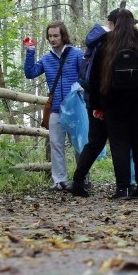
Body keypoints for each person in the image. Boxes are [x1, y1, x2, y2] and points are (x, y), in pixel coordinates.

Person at [86, 8, 138, 200]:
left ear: (112, 24)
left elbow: (94, 80)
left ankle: (123, 188)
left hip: (113, 105)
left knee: (119, 146)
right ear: (132, 24)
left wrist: (97, 106)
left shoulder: (104, 47)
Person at [24, 21, 83, 191]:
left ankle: (82, 178)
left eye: (56, 35)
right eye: (50, 36)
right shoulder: (46, 58)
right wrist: (30, 51)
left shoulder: (77, 55)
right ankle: (59, 181)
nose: (52, 39)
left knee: (79, 145)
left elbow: (86, 77)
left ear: (63, 35)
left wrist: (79, 90)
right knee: (56, 145)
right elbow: (30, 73)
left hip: (75, 109)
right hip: (56, 108)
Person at [70, 9, 122, 197]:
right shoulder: (108, 41)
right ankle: (123, 185)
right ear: (114, 23)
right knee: (116, 141)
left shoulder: (96, 40)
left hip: (94, 99)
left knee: (95, 142)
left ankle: (77, 180)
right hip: (105, 100)